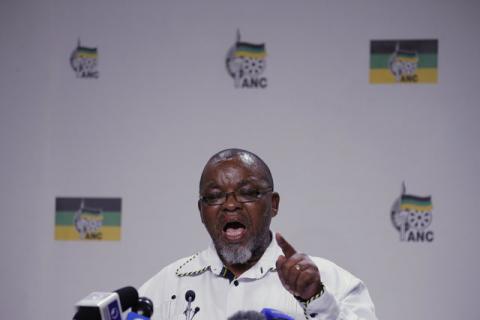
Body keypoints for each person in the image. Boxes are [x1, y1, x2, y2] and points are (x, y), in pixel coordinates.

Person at [139, 148, 377, 320]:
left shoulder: (332, 282)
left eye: (247, 193)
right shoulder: (167, 286)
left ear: (273, 204)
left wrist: (316, 300)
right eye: (214, 196)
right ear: (201, 211)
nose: (230, 205)